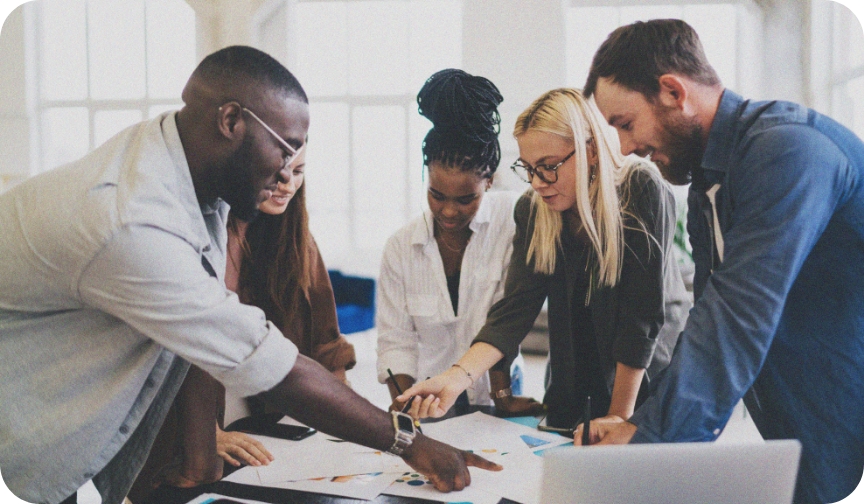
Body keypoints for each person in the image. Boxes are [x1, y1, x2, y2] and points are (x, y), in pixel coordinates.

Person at [0, 46, 498, 504]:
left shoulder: (184, 166)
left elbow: (198, 348)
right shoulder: (133, 221)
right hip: (27, 417)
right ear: (232, 120)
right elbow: (265, 361)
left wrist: (200, 469)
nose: (287, 174)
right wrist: (409, 442)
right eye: (286, 149)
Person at [581, 19, 864, 504]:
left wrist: (651, 444)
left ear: (673, 91)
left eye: (624, 125)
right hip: (812, 414)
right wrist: (642, 423)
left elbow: (738, 315)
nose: (626, 149)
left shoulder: (788, 150)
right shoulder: (710, 181)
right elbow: (709, 317)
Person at [399, 87, 690, 432]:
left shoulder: (640, 189)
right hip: (572, 383)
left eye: (549, 167)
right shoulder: (534, 210)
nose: (537, 183)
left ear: (591, 151)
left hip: (643, 382)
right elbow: (515, 309)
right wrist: (455, 377)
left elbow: (640, 318)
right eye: (529, 168)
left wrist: (619, 415)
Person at [128, 147, 357, 501]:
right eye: (279, 173)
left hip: (269, 427)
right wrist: (205, 433)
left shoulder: (296, 240)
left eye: (299, 172)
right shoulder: (194, 236)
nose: (288, 185)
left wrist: (344, 422)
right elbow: (157, 355)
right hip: (183, 439)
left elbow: (327, 348)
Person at [376, 69, 543, 417]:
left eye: (466, 199)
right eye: (436, 195)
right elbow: (396, 344)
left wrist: (501, 397)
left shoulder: (514, 218)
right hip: (430, 397)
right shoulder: (400, 248)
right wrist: (409, 405)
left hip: (499, 392)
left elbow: (506, 316)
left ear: (490, 182)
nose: (449, 211)